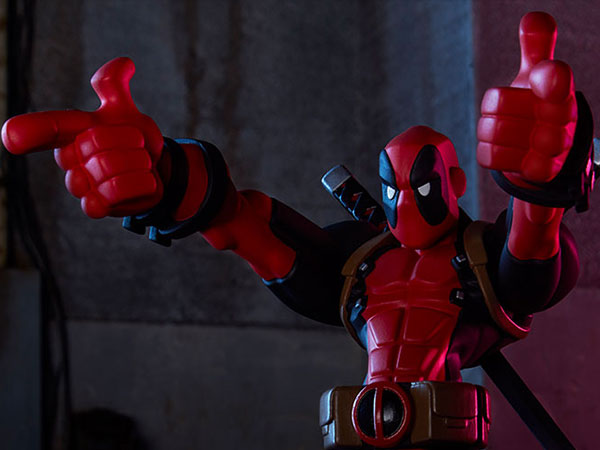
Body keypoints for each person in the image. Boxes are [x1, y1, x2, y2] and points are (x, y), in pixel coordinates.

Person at [2, 11, 593, 450]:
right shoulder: (358, 266)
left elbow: (533, 260)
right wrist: (166, 178)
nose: (404, 202)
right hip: (359, 427)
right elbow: (240, 223)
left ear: (454, 181)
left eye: (421, 185)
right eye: (391, 188)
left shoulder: (479, 260)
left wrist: (538, 183)